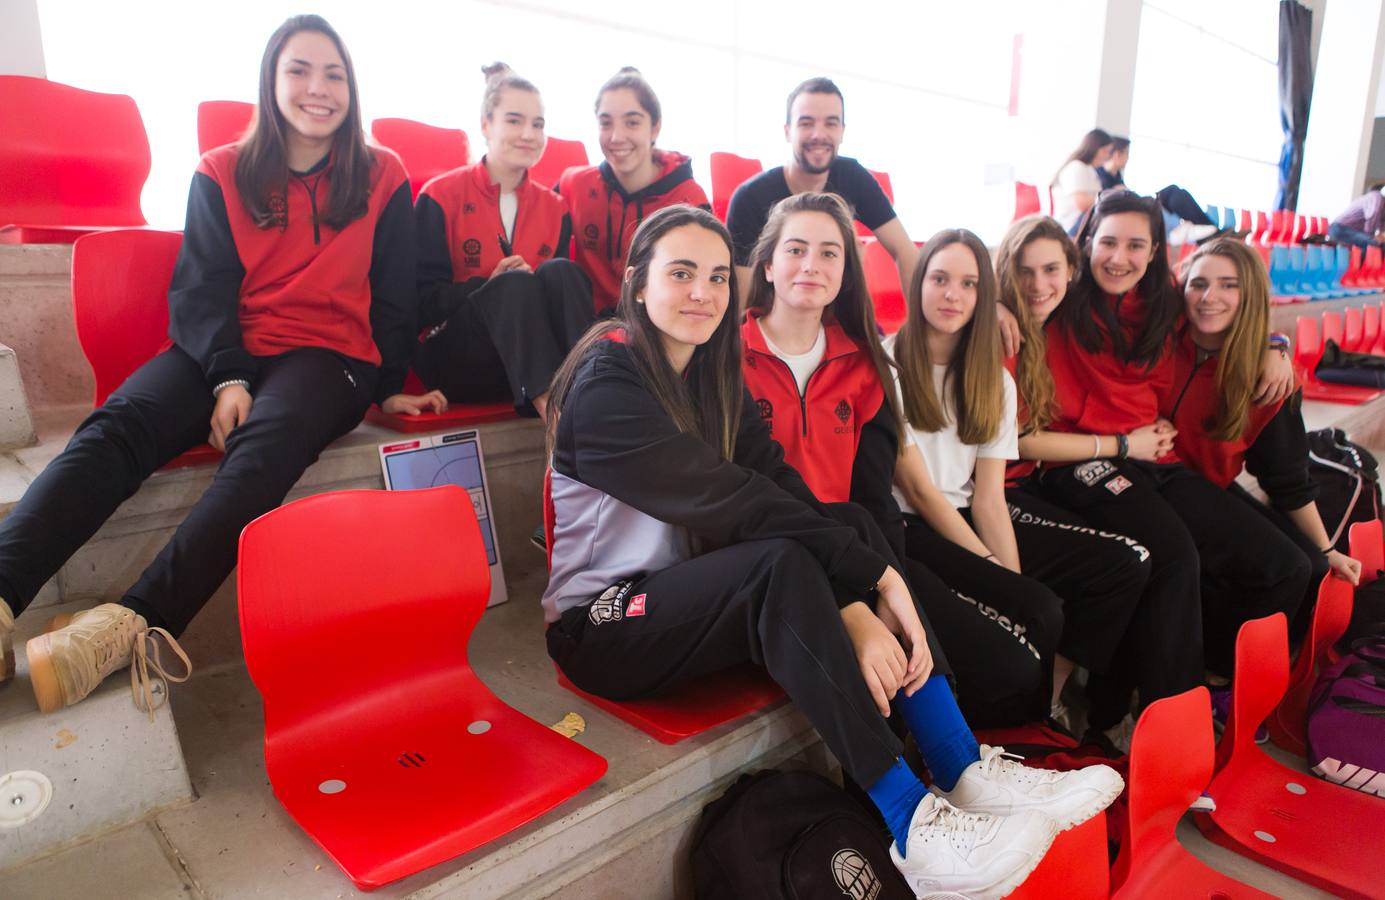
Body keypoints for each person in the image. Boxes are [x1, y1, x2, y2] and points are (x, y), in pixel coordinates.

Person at [542, 203, 1121, 899]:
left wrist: (861, 569)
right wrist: (864, 583)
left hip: (691, 594)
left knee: (848, 516)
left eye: (718, 277)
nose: (702, 292)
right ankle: (912, 826)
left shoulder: (710, 377)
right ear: (638, 284)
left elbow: (780, 485)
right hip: (602, 623)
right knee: (783, 559)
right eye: (681, 273)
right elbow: (731, 500)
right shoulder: (605, 383)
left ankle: (959, 763)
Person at [0, 14, 443, 714]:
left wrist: (387, 388)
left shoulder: (385, 176)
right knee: (122, 423)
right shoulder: (220, 171)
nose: (317, 88)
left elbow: (396, 297)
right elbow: (201, 289)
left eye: (334, 74)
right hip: (229, 343)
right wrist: (227, 376)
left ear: (352, 89)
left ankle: (134, 623)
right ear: (271, 81)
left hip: (332, 357)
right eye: (299, 69)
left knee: (264, 450)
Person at [739, 192, 1046, 728]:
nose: (812, 263)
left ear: (845, 272)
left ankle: (977, 767)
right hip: (772, 555)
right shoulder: (727, 359)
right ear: (767, 264)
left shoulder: (864, 364)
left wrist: (887, 580)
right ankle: (946, 774)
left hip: (852, 547)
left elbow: (873, 497)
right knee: (885, 663)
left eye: (830, 252)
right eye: (796, 248)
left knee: (1010, 659)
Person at [1033, 191, 1299, 734]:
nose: (1119, 257)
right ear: (1088, 242)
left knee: (1284, 565)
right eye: (1107, 242)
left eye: (1136, 245)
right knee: (1174, 555)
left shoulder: (1161, 303)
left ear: (1155, 252)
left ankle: (1204, 690)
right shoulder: (1062, 294)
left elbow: (1223, 308)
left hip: (1153, 456)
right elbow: (1013, 282)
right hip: (1079, 461)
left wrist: (1277, 342)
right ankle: (1174, 729)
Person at [887, 228, 1145, 731]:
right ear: (918, 284)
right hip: (909, 524)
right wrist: (990, 568)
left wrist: (1013, 581)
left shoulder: (992, 379)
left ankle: (1036, 735)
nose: (952, 295)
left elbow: (988, 499)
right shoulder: (889, 363)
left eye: (967, 283)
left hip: (962, 514)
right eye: (939, 279)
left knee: (1040, 607)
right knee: (1025, 619)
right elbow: (919, 490)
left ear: (984, 296)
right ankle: (1018, 739)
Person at [1167, 238, 1362, 644]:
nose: (1210, 297)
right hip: (1153, 483)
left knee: (1309, 565)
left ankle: (1230, 669)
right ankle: (1217, 670)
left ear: (1250, 294)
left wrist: (1326, 550)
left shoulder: (1268, 375)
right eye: (1199, 283)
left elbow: (1286, 477)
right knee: (1284, 567)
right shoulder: (1161, 339)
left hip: (1207, 487)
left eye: (1228, 285)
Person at [414, 63, 593, 420]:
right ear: (485, 124)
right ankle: (562, 422)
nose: (528, 133)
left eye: (538, 124)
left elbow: (557, 301)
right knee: (512, 284)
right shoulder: (439, 196)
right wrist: (489, 285)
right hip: (458, 361)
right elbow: (421, 303)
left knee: (563, 272)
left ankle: (590, 394)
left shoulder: (555, 208)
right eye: (514, 120)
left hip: (527, 364)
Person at [726, 78, 917, 305]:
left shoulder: (854, 177)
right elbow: (743, 304)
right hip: (776, 319)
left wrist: (918, 329)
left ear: (842, 131)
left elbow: (905, 252)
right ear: (788, 131)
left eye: (831, 123)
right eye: (806, 123)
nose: (819, 134)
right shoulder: (750, 198)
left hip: (839, 315)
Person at [556, 67, 710, 316]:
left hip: (653, 324)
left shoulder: (688, 199)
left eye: (632, 122)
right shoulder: (574, 184)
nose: (617, 137)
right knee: (558, 271)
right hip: (583, 326)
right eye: (606, 123)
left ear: (655, 128)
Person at [1096, 136, 1217, 244]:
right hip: (1128, 209)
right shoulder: (1100, 175)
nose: (1127, 159)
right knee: (1168, 197)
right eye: (1126, 154)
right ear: (1117, 154)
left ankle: (1200, 227)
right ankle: (1198, 229)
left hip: (1136, 204)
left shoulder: (1116, 176)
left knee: (1172, 191)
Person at [1050, 129, 1112, 234]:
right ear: (1094, 148)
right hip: (1070, 228)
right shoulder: (1077, 167)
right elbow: (1082, 203)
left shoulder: (1090, 169)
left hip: (1081, 226)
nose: (1107, 156)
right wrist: (1110, 198)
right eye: (1105, 151)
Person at [1328, 184, 1385, 252]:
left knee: (1377, 244)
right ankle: (1358, 262)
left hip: (1345, 230)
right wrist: (1372, 237)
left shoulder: (1381, 203)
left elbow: (1381, 222)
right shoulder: (1377, 197)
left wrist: (1380, 235)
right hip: (1340, 229)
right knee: (1373, 245)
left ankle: (1358, 262)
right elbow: (1373, 215)